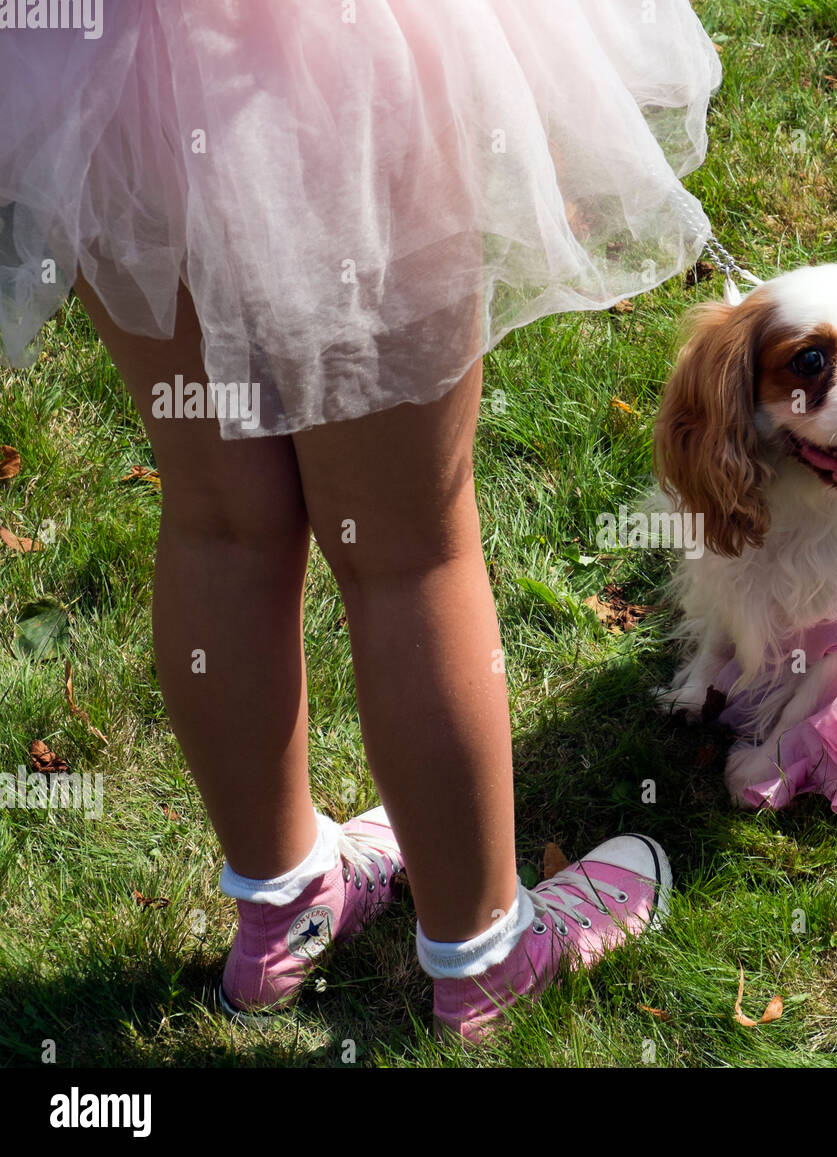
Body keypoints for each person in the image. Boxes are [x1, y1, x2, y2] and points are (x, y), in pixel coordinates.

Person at [0, 0, 721, 1042]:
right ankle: (486, 958)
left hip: (107, 60)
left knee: (218, 515)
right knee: (407, 547)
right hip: (338, 46)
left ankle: (284, 903)